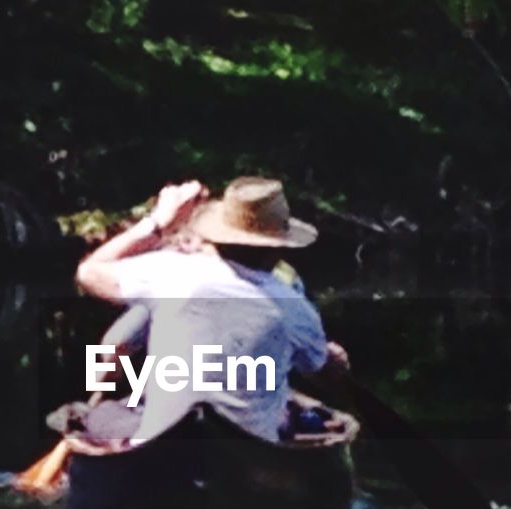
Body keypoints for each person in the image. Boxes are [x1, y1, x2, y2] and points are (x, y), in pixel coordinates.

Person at [76, 176, 350, 446]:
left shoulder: (169, 272)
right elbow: (322, 372)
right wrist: (333, 363)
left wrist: (157, 222)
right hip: (250, 458)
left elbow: (88, 273)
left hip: (161, 448)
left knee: (100, 415)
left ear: (213, 238)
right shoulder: (295, 305)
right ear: (277, 248)